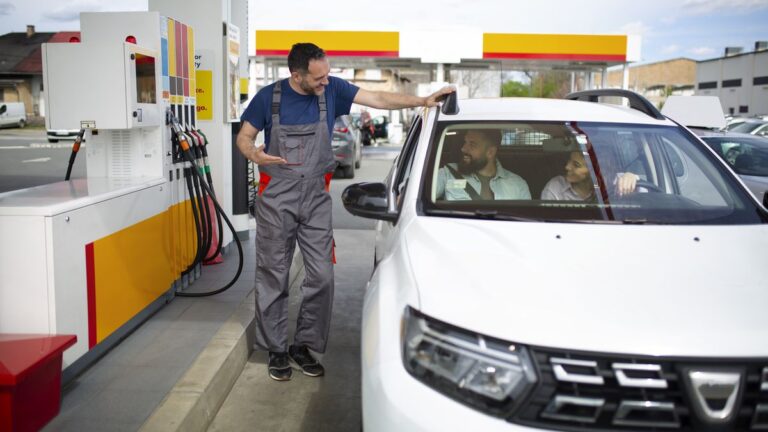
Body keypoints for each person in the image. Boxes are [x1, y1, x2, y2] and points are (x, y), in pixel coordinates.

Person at [235, 43, 454, 382]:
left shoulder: (332, 90)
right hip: (277, 198)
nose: (326, 81)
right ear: (297, 75)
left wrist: (423, 101)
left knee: (322, 275)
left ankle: (303, 346)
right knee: (273, 274)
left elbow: (378, 99)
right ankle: (276, 349)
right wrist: (254, 155)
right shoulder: (269, 98)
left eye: (327, 74)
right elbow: (244, 137)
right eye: (318, 77)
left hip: (315, 198)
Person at [436, 129, 530, 200]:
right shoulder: (447, 173)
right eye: (465, 142)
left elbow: (527, 222)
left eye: (472, 144)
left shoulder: (518, 185)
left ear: (490, 152)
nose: (463, 149)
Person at [541, 150, 638, 200]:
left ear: (595, 172)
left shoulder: (616, 181)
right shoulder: (556, 186)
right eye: (569, 161)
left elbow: (646, 194)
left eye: (576, 165)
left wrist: (632, 177)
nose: (567, 167)